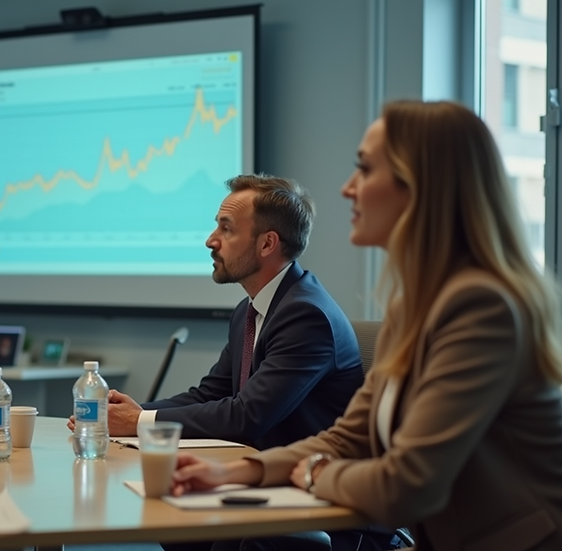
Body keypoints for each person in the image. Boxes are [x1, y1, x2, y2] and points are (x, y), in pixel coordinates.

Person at [171, 101, 562, 550]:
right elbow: (348, 437)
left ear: (421, 186)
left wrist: (315, 473)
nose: (348, 188)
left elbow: (409, 483)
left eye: (365, 169)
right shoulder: (412, 307)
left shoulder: (482, 306)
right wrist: (239, 471)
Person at [71, 175, 365, 453]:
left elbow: (248, 416)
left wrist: (136, 422)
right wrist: (128, 413)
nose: (210, 241)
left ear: (267, 244)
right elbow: (210, 394)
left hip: (306, 486)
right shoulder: (248, 311)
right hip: (256, 471)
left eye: (226, 229)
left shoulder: (305, 316)